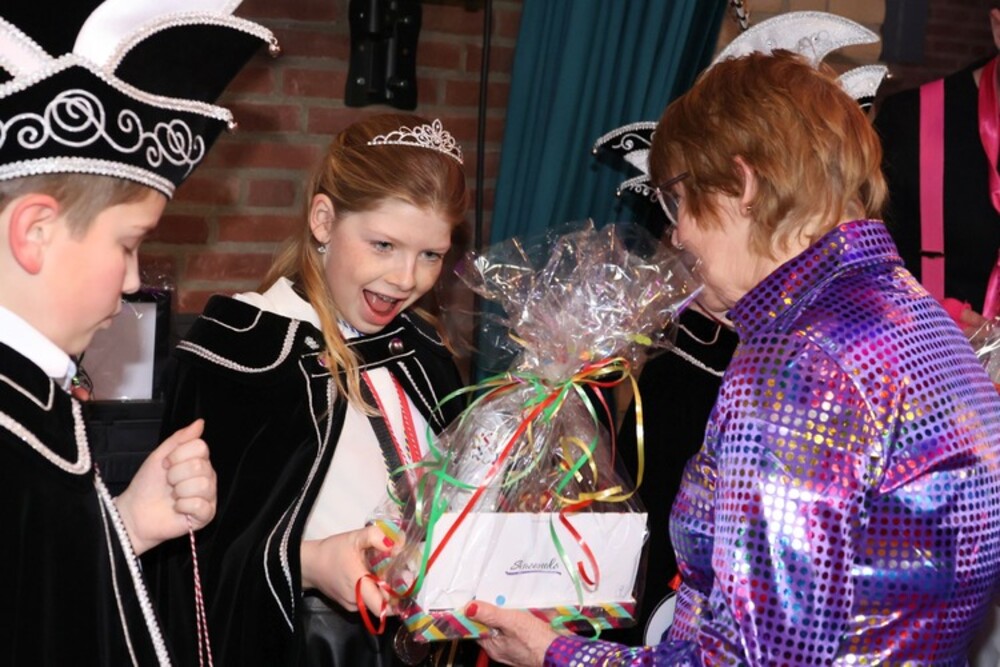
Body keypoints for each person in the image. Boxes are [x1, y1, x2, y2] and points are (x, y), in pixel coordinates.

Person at [466, 50, 1000, 666]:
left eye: (676, 201)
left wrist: (556, 654)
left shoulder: (798, 362)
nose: (676, 234)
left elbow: (753, 660)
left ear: (742, 184)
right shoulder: (917, 317)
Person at [143, 113, 481, 666]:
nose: (406, 278)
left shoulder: (422, 350)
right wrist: (309, 563)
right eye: (383, 245)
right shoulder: (243, 349)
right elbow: (189, 564)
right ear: (324, 220)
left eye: (431, 255)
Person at [0, 2, 272, 665]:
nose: (130, 281)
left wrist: (130, 522)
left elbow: (41, 600)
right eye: (128, 245)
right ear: (36, 232)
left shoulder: (32, 396)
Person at [873, 6, 1000, 329]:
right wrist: (921, 312)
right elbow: (857, 269)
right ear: (998, 28)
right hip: (929, 352)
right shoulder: (910, 123)